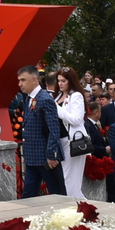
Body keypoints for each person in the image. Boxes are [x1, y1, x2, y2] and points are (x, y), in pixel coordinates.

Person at [16, 65, 64, 197]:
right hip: (32, 157)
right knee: (28, 195)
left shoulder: (45, 99)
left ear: (34, 80)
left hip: (46, 158)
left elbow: (53, 129)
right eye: (19, 80)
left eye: (23, 80)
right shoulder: (29, 98)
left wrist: (52, 155)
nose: (20, 84)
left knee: (57, 194)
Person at [52, 68, 88, 197]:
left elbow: (77, 119)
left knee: (71, 180)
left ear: (70, 81)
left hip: (73, 141)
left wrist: (57, 109)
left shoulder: (76, 96)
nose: (60, 84)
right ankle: (81, 205)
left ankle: (78, 205)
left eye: (63, 81)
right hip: (60, 141)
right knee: (66, 179)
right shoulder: (58, 96)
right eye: (59, 81)